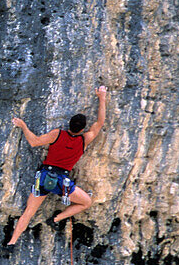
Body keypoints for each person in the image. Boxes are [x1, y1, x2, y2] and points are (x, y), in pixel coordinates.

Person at [6, 86, 107, 245]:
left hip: (45, 176)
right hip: (62, 182)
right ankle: (57, 218)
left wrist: (23, 126)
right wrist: (102, 96)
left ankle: (12, 242)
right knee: (86, 202)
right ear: (82, 129)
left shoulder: (57, 134)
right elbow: (100, 122)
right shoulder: (83, 140)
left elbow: (34, 142)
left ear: (69, 125)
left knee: (29, 212)